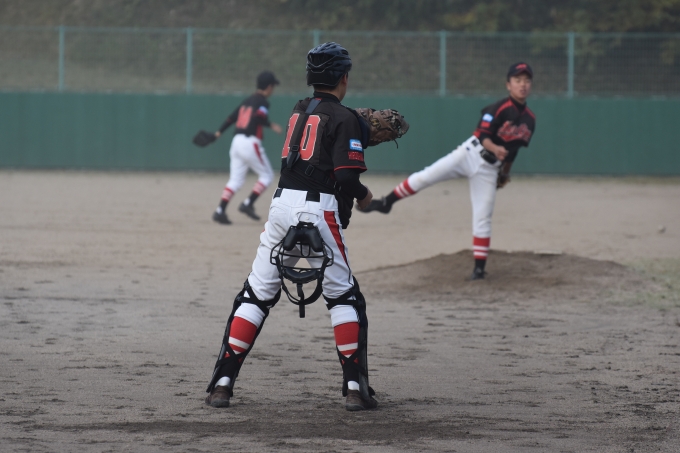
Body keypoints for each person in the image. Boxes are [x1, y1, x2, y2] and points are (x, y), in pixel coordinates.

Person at [205, 42, 379, 411]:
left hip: (281, 206)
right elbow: (346, 177)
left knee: (256, 293)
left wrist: (354, 126)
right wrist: (365, 197)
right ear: (344, 78)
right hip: (320, 210)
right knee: (344, 297)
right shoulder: (345, 118)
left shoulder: (299, 110)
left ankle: (222, 383)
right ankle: (354, 388)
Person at [359, 62, 536, 280]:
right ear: (509, 84)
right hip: (469, 154)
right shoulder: (498, 108)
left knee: (483, 216)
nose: (522, 84)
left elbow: (514, 150)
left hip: (490, 169)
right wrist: (496, 148)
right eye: (518, 80)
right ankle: (387, 202)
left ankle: (479, 270)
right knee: (426, 176)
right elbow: (483, 136)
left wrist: (505, 173)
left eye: (526, 80)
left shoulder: (530, 120)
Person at [210, 71, 283, 225]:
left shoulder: (247, 101)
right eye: (273, 86)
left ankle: (220, 210)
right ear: (269, 87)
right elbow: (259, 116)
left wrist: (218, 133)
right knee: (267, 176)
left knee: (235, 180)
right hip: (250, 142)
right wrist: (271, 125)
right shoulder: (263, 102)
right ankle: (248, 203)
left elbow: (231, 118)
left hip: (236, 142)